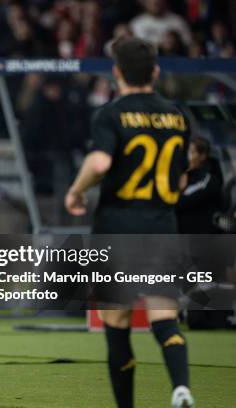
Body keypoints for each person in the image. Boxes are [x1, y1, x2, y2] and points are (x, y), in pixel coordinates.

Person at [64, 37, 194, 408]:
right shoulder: (178, 115)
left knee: (117, 326)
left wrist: (75, 191)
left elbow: (100, 163)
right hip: (161, 228)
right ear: (155, 71)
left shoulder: (111, 114)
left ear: (116, 72)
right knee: (165, 320)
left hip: (116, 228)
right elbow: (181, 177)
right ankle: (181, 387)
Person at [176, 136, 223, 233]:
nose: (187, 157)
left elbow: (180, 204)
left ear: (202, 156)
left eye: (192, 152)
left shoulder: (210, 181)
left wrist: (180, 190)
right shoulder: (183, 175)